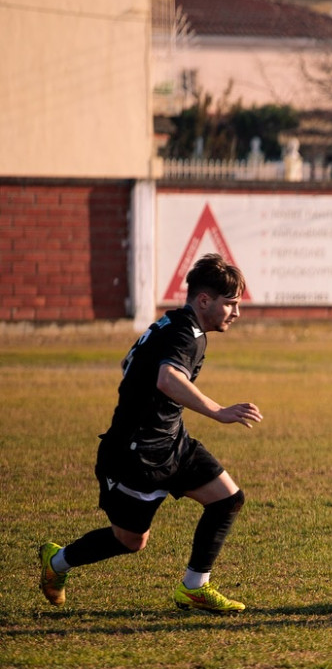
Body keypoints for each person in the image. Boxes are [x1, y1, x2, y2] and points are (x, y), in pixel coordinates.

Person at [38, 253, 263, 611]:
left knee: (227, 499)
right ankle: (58, 561)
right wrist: (219, 411)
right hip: (135, 454)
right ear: (204, 300)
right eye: (231, 304)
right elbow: (167, 378)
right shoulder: (184, 334)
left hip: (171, 442)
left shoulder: (172, 323)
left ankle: (193, 587)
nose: (236, 313)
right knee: (130, 541)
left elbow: (129, 363)